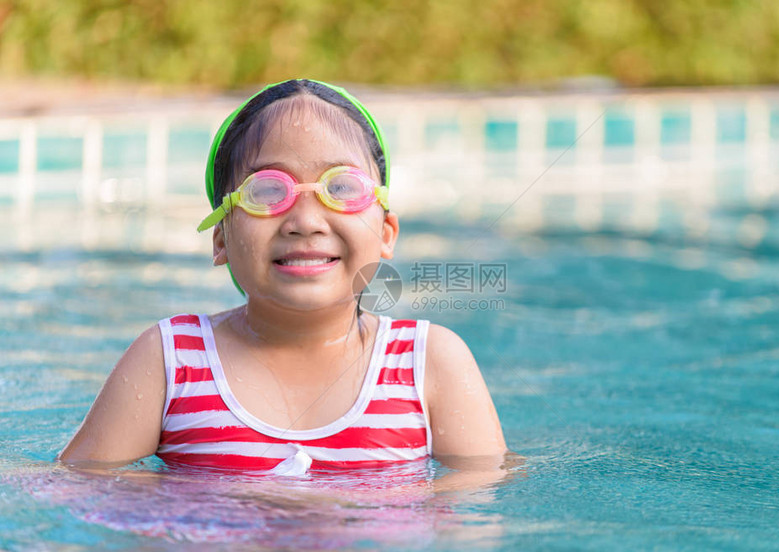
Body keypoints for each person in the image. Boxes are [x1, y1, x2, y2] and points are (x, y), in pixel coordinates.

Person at [60, 79, 507, 477]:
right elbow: (78, 488)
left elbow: (475, 521)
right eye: (267, 191)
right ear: (221, 240)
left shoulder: (429, 362)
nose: (307, 221)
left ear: (386, 234)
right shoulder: (169, 360)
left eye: (342, 188)